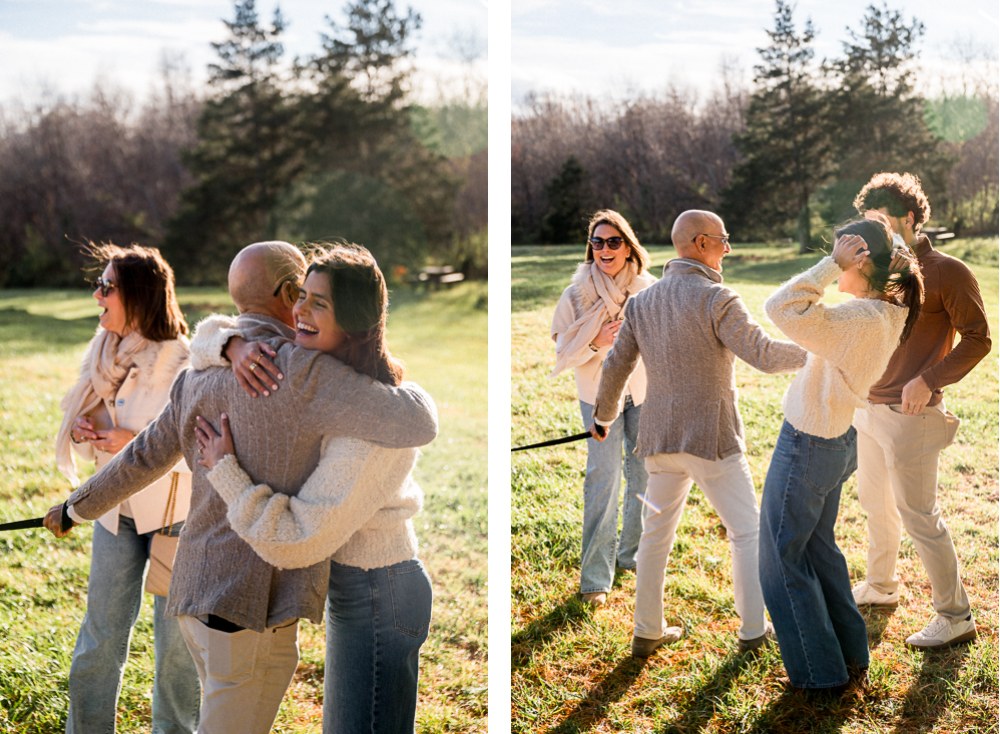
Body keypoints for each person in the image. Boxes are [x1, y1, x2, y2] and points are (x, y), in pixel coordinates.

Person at [44, 241, 438, 734]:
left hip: (194, 592)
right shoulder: (301, 371)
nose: (303, 309)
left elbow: (142, 455)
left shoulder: (197, 374)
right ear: (289, 291)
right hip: (252, 605)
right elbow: (415, 419)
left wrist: (74, 508)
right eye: (303, 295)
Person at [189, 245, 432, 734]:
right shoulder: (319, 377)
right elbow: (208, 333)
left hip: (377, 592)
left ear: (357, 320)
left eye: (319, 303)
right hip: (358, 584)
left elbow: (296, 539)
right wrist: (231, 346)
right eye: (301, 295)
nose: (299, 310)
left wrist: (227, 473)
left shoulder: (369, 423)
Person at [590, 209, 807, 658]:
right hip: (712, 442)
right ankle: (752, 629)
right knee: (748, 532)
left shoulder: (643, 302)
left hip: (659, 444)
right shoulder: (717, 297)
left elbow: (616, 365)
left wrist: (604, 416)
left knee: (654, 535)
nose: (728, 248)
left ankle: (647, 630)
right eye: (724, 240)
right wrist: (820, 353)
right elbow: (764, 355)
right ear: (704, 242)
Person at [758, 216, 924, 692]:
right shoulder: (883, 311)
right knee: (818, 549)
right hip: (833, 441)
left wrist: (828, 266)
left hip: (809, 443)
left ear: (859, 260)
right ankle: (849, 654)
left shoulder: (860, 320)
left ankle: (819, 674)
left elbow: (781, 307)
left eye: (842, 256)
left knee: (779, 558)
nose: (836, 265)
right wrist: (836, 264)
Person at [54, 243, 200, 734]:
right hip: (115, 513)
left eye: (107, 286)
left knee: (176, 650)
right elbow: (98, 417)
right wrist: (85, 430)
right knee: (99, 637)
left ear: (137, 296)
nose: (97, 294)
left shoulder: (184, 361)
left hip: (176, 517)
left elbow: (194, 448)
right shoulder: (102, 352)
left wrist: (130, 442)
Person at [851, 173, 991, 649]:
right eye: (867, 222)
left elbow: (979, 338)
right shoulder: (877, 267)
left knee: (919, 515)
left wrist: (929, 379)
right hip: (867, 407)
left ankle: (956, 616)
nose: (874, 231)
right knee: (874, 503)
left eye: (882, 221)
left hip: (913, 413)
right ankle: (881, 586)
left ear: (908, 219)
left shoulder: (948, 271)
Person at [550, 210, 657, 607]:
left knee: (643, 476)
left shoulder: (648, 288)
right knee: (603, 480)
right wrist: (595, 340)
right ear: (590, 247)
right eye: (598, 242)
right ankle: (596, 577)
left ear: (628, 246)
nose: (605, 249)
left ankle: (631, 556)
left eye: (613, 241)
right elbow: (562, 347)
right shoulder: (576, 294)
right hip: (597, 399)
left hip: (644, 394)